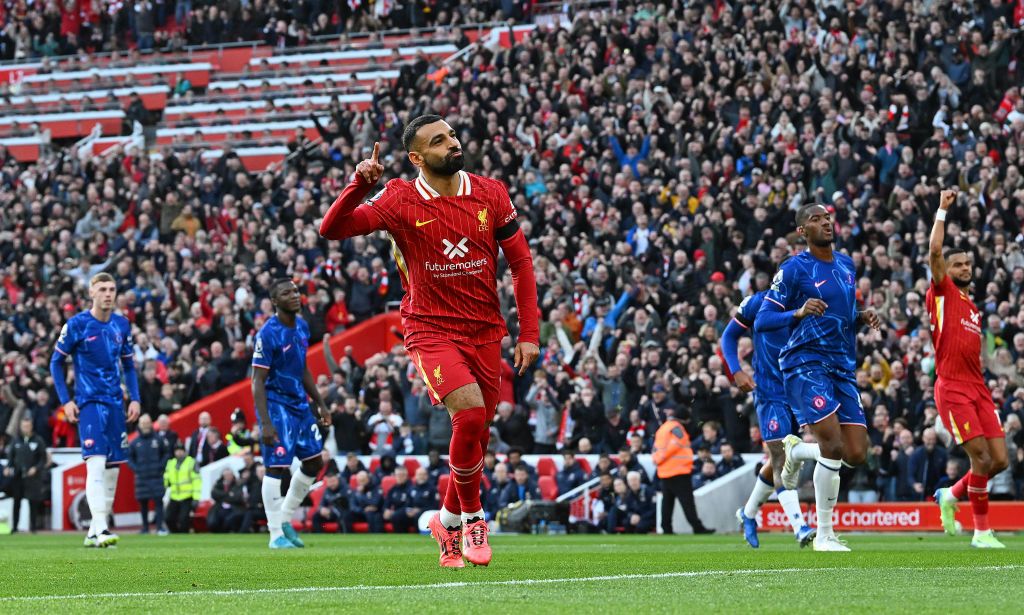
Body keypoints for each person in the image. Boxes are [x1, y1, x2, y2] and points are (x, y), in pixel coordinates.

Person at [319, 115, 541, 568]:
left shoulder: (490, 193)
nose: (452, 143)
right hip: (429, 329)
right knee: (472, 414)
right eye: (439, 141)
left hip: (485, 329)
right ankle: (477, 518)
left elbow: (521, 263)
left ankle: (445, 522)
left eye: (453, 135)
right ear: (417, 157)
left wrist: (529, 333)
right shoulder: (399, 197)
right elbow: (332, 229)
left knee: (474, 434)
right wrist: (359, 185)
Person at [756, 203, 881, 552]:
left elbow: (841, 314)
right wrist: (797, 311)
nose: (826, 222)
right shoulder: (794, 269)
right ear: (802, 231)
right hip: (805, 362)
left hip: (842, 365)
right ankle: (824, 535)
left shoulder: (846, 265)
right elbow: (764, 319)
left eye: (827, 218)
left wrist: (860, 317)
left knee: (856, 452)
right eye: (816, 219)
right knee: (833, 444)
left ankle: (796, 452)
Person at [929, 190, 1009, 549]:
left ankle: (951, 494)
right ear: (947, 270)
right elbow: (934, 252)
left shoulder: (974, 309)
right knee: (980, 456)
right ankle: (981, 532)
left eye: (967, 265)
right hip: (953, 388)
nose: (963, 269)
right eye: (957, 264)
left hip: (978, 389)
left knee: (1001, 461)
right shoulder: (942, 292)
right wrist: (942, 211)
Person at [49, 272, 141, 548]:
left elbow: (128, 366)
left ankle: (95, 529)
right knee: (96, 463)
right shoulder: (77, 325)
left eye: (112, 289)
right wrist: (66, 400)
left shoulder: (121, 325)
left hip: (115, 403)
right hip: (89, 403)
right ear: (91, 293)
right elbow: (56, 362)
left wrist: (134, 398)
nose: (108, 294)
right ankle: (100, 526)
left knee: (113, 469)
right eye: (102, 289)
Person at [720, 282, 816, 548]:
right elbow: (728, 336)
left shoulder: (808, 306)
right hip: (768, 393)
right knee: (781, 459)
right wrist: (736, 370)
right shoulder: (756, 303)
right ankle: (799, 526)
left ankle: (748, 514)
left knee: (782, 461)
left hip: (797, 392)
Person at [251, 278, 332, 549]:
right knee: (276, 466)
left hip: (299, 404)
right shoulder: (268, 333)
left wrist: (319, 402)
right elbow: (257, 381)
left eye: (296, 291)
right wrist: (265, 423)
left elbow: (303, 367)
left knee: (314, 462)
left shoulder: (302, 326)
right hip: (276, 405)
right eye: (287, 293)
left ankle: (285, 519)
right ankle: (275, 535)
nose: (295, 296)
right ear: (275, 301)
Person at [652, 408, 712, 535]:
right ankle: (697, 527)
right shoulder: (676, 427)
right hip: (678, 470)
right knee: (687, 502)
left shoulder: (662, 428)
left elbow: (656, 448)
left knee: (667, 502)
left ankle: (666, 528)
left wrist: (658, 459)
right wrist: (661, 457)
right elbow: (676, 444)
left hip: (665, 471)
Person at [4, 417, 49, 532]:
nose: (26, 428)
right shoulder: (16, 440)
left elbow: (43, 459)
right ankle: (14, 528)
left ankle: (33, 527)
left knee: (33, 502)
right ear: (20, 427)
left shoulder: (38, 440)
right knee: (16, 502)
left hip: (33, 477)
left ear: (31, 426)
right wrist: (8, 467)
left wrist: (36, 468)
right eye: (24, 426)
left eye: (28, 426)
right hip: (18, 476)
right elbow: (11, 458)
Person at [127, 414, 170, 535]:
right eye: (143, 423)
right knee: (143, 503)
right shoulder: (135, 442)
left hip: (156, 476)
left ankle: (159, 527)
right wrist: (137, 469)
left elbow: (166, 454)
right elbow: (129, 458)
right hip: (141, 477)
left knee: (158, 503)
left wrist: (161, 466)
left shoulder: (158, 439)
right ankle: (145, 528)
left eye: (147, 423)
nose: (145, 425)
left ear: (151, 424)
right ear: (139, 425)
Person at [163, 443, 200, 533]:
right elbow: (166, 477)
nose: (179, 453)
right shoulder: (170, 463)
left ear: (184, 451)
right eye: (177, 451)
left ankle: (184, 535)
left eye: (181, 451)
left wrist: (196, 498)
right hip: (174, 496)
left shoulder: (191, 462)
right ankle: (176, 534)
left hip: (187, 496)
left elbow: (197, 481)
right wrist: (165, 486)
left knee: (184, 519)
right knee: (168, 518)